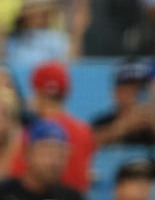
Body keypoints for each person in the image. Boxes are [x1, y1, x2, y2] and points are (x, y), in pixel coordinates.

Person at [11, 61, 95, 192]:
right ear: (66, 93)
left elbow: (16, 175)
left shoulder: (32, 130)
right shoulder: (84, 130)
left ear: (36, 92)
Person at [93, 60, 155, 145]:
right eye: (130, 89)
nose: (135, 95)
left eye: (141, 89)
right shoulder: (103, 122)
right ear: (116, 93)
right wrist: (122, 127)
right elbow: (88, 142)